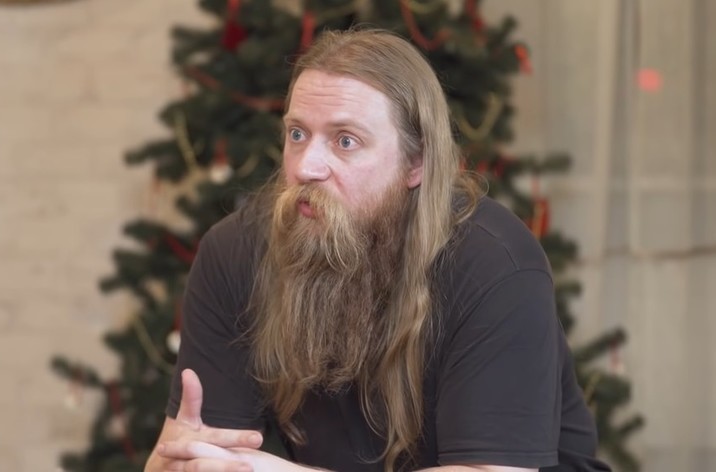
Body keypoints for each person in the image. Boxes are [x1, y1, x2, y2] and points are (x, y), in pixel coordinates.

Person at [145, 29, 611, 472]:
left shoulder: (495, 264)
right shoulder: (235, 251)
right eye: (297, 134)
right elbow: (184, 453)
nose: (306, 167)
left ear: (416, 163)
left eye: (345, 141)